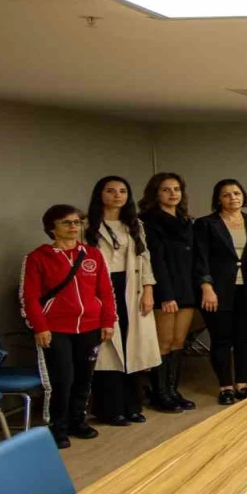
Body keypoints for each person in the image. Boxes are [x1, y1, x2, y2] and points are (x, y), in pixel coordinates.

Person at [21, 206, 115, 449]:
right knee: (62, 380)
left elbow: (105, 291)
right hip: (55, 329)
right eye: (66, 222)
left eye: (77, 222)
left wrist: (108, 321)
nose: (74, 227)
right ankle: (57, 427)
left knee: (84, 377)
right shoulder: (38, 257)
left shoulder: (92, 254)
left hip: (90, 326)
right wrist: (40, 327)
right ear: (52, 228)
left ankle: (77, 421)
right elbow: (29, 297)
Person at [86, 176, 163, 425]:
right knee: (108, 351)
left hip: (132, 288)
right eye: (110, 191)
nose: (117, 195)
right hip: (100, 289)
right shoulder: (87, 225)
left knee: (133, 348)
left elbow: (145, 258)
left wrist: (149, 290)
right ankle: (110, 409)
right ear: (100, 195)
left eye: (122, 191)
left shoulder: (134, 224)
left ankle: (132, 405)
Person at [194, 179, 247, 405]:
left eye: (237, 193)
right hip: (218, 290)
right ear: (218, 199)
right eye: (226, 194)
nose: (233, 198)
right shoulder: (206, 224)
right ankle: (225, 387)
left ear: (243, 196)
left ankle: (242, 384)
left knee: (245, 339)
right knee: (221, 339)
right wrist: (206, 287)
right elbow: (200, 258)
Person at [139, 173, 198, 410]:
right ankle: (159, 393)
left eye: (176, 189)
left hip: (187, 287)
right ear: (155, 193)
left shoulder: (186, 221)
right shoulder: (148, 222)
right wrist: (166, 294)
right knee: (163, 343)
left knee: (178, 342)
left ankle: (173, 390)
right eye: (166, 189)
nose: (173, 193)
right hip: (165, 289)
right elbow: (156, 261)